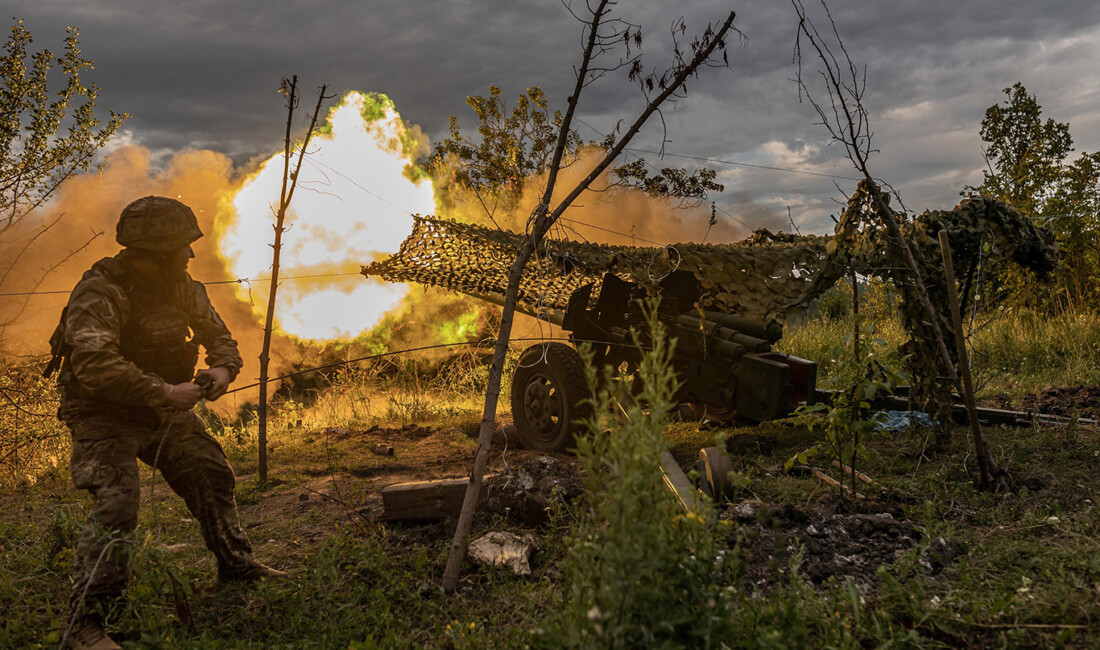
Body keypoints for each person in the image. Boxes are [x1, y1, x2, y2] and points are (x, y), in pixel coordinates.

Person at [47, 196, 285, 650]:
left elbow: (220, 337)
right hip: (101, 411)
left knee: (210, 473)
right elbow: (95, 365)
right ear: (152, 253)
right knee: (118, 506)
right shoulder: (101, 291)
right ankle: (85, 624)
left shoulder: (183, 287)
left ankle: (237, 567)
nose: (190, 254)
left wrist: (222, 370)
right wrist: (165, 393)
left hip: (160, 409)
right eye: (181, 246)